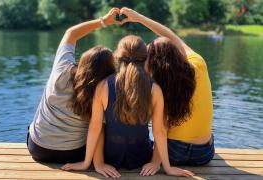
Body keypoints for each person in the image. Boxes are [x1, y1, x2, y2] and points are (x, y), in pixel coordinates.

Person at [62, 34, 194, 178]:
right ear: (145, 57)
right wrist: (163, 166)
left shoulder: (103, 86)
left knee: (102, 126)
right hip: (141, 158)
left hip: (110, 157)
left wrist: (89, 163)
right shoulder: (155, 89)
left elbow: (95, 127)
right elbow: (160, 131)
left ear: (118, 57)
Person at [120, 8, 214, 166]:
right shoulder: (198, 64)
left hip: (173, 154)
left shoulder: (158, 86)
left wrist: (156, 162)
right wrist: (139, 18)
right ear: (176, 53)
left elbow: (161, 129)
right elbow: (171, 35)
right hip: (203, 155)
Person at [27, 8, 121, 163]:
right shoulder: (103, 90)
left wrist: (103, 20)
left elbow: (71, 33)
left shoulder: (61, 69)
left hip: (38, 149)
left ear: (83, 61)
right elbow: (99, 129)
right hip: (74, 154)